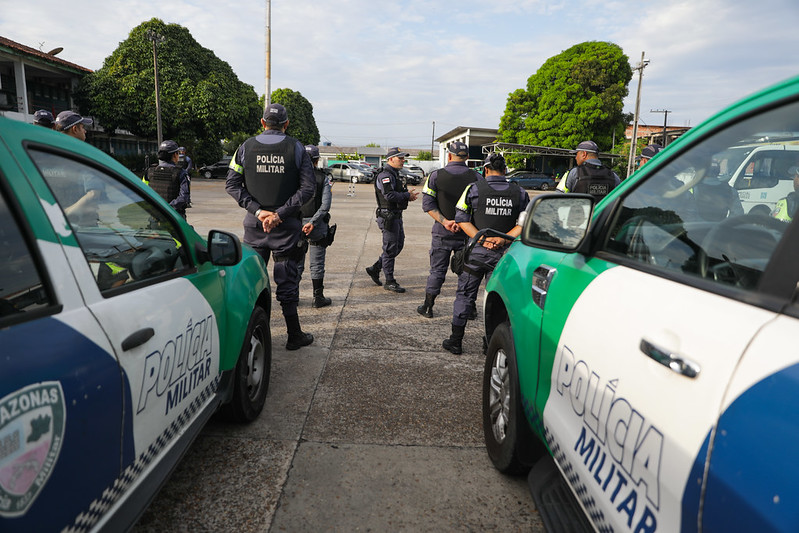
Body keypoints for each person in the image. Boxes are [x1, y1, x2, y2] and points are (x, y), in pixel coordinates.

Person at [226, 103, 316, 350]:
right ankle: (294, 335)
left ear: (262, 122)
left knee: (249, 281)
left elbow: (232, 184)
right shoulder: (297, 148)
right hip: (285, 229)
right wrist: (279, 214)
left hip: (255, 227)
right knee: (287, 282)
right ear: (286, 124)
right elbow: (308, 188)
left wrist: (257, 211)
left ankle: (247, 336)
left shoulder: (244, 147)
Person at [443, 152, 529, 354]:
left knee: (465, 295)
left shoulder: (473, 189)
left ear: (485, 170)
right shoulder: (520, 192)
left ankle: (456, 341)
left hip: (476, 253)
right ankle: (490, 344)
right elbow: (524, 223)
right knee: (497, 300)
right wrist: (503, 239)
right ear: (505, 170)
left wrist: (482, 239)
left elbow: (462, 219)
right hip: (503, 255)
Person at [417, 141, 481, 318]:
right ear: (467, 157)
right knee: (467, 273)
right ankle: (468, 308)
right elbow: (480, 207)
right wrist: (464, 223)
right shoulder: (477, 177)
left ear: (450, 155)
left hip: (442, 232)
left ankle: (428, 306)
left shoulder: (435, 176)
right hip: (468, 234)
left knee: (437, 271)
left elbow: (427, 204)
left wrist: (445, 222)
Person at [365, 147, 419, 293]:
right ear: (390, 159)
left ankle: (375, 268)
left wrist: (407, 196)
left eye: (403, 158)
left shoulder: (395, 174)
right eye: (400, 158)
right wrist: (406, 196)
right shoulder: (385, 175)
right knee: (390, 249)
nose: (403, 160)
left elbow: (397, 194)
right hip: (388, 216)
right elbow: (389, 195)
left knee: (398, 245)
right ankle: (389, 281)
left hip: (396, 215)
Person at [299, 145, 334, 308]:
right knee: (317, 263)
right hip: (317, 225)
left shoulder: (293, 177)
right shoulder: (323, 178)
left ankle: (293, 296)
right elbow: (325, 205)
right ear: (317, 160)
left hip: (297, 224)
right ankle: (318, 297)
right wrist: (312, 222)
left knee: (296, 261)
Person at [143, 140, 192, 219]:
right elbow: (184, 197)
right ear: (175, 154)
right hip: (174, 217)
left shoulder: (150, 171)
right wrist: (168, 209)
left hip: (155, 216)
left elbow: (145, 191)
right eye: (178, 153)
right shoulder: (180, 172)